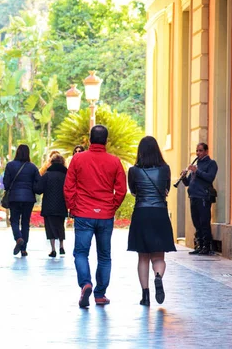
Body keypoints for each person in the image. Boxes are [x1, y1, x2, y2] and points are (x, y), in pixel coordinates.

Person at [64, 125, 127, 308]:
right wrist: (111, 206)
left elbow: (69, 187)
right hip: (105, 214)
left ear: (89, 140)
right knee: (104, 256)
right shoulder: (115, 162)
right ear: (106, 141)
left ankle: (86, 283)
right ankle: (100, 294)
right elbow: (121, 190)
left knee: (81, 253)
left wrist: (73, 207)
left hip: (83, 213)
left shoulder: (78, 159)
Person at [127, 136, 177, 306]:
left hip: (141, 213)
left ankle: (145, 295)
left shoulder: (134, 171)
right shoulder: (166, 169)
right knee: (158, 256)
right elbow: (167, 189)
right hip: (159, 214)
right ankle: (158, 277)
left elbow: (133, 191)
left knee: (143, 258)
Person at [181, 142, 218, 255]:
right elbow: (188, 182)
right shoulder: (196, 164)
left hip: (203, 197)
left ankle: (207, 246)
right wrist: (183, 177)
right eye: (197, 151)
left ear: (206, 151)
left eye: (200, 150)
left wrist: (197, 171)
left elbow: (210, 177)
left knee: (204, 222)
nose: (198, 153)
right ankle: (199, 245)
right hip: (193, 197)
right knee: (196, 222)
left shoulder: (211, 164)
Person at [3, 144, 41, 257]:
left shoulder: (10, 165)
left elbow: (6, 183)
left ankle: (18, 238)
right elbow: (38, 182)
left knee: (14, 220)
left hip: (14, 197)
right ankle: (24, 249)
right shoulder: (33, 167)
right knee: (25, 222)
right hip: (29, 198)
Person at [34, 154, 68, 258]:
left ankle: (53, 249)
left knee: (50, 227)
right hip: (62, 204)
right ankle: (61, 246)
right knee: (60, 225)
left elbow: (39, 189)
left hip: (49, 205)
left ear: (51, 163)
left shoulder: (47, 175)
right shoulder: (66, 175)